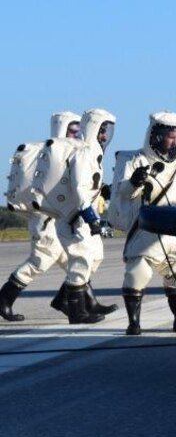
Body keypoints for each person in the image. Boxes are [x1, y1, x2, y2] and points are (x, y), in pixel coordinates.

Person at [110, 112, 176, 335]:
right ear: (155, 135)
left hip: (174, 229)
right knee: (138, 273)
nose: (173, 141)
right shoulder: (135, 160)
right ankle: (133, 323)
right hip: (147, 227)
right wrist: (135, 181)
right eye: (169, 136)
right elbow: (123, 191)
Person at [0, 112, 82, 321]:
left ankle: (72, 303)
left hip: (58, 218)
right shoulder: (49, 156)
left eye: (78, 130)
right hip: (46, 219)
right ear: (61, 128)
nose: (76, 134)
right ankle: (3, 301)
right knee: (40, 261)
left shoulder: (66, 154)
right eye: (72, 130)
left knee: (77, 260)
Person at [54, 108, 119, 324]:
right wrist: (91, 217)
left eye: (107, 131)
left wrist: (104, 191)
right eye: (102, 130)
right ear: (92, 128)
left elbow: (91, 186)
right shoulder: (82, 152)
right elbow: (80, 188)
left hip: (83, 217)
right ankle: (76, 311)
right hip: (75, 217)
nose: (104, 135)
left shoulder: (93, 153)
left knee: (96, 256)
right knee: (81, 260)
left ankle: (64, 298)